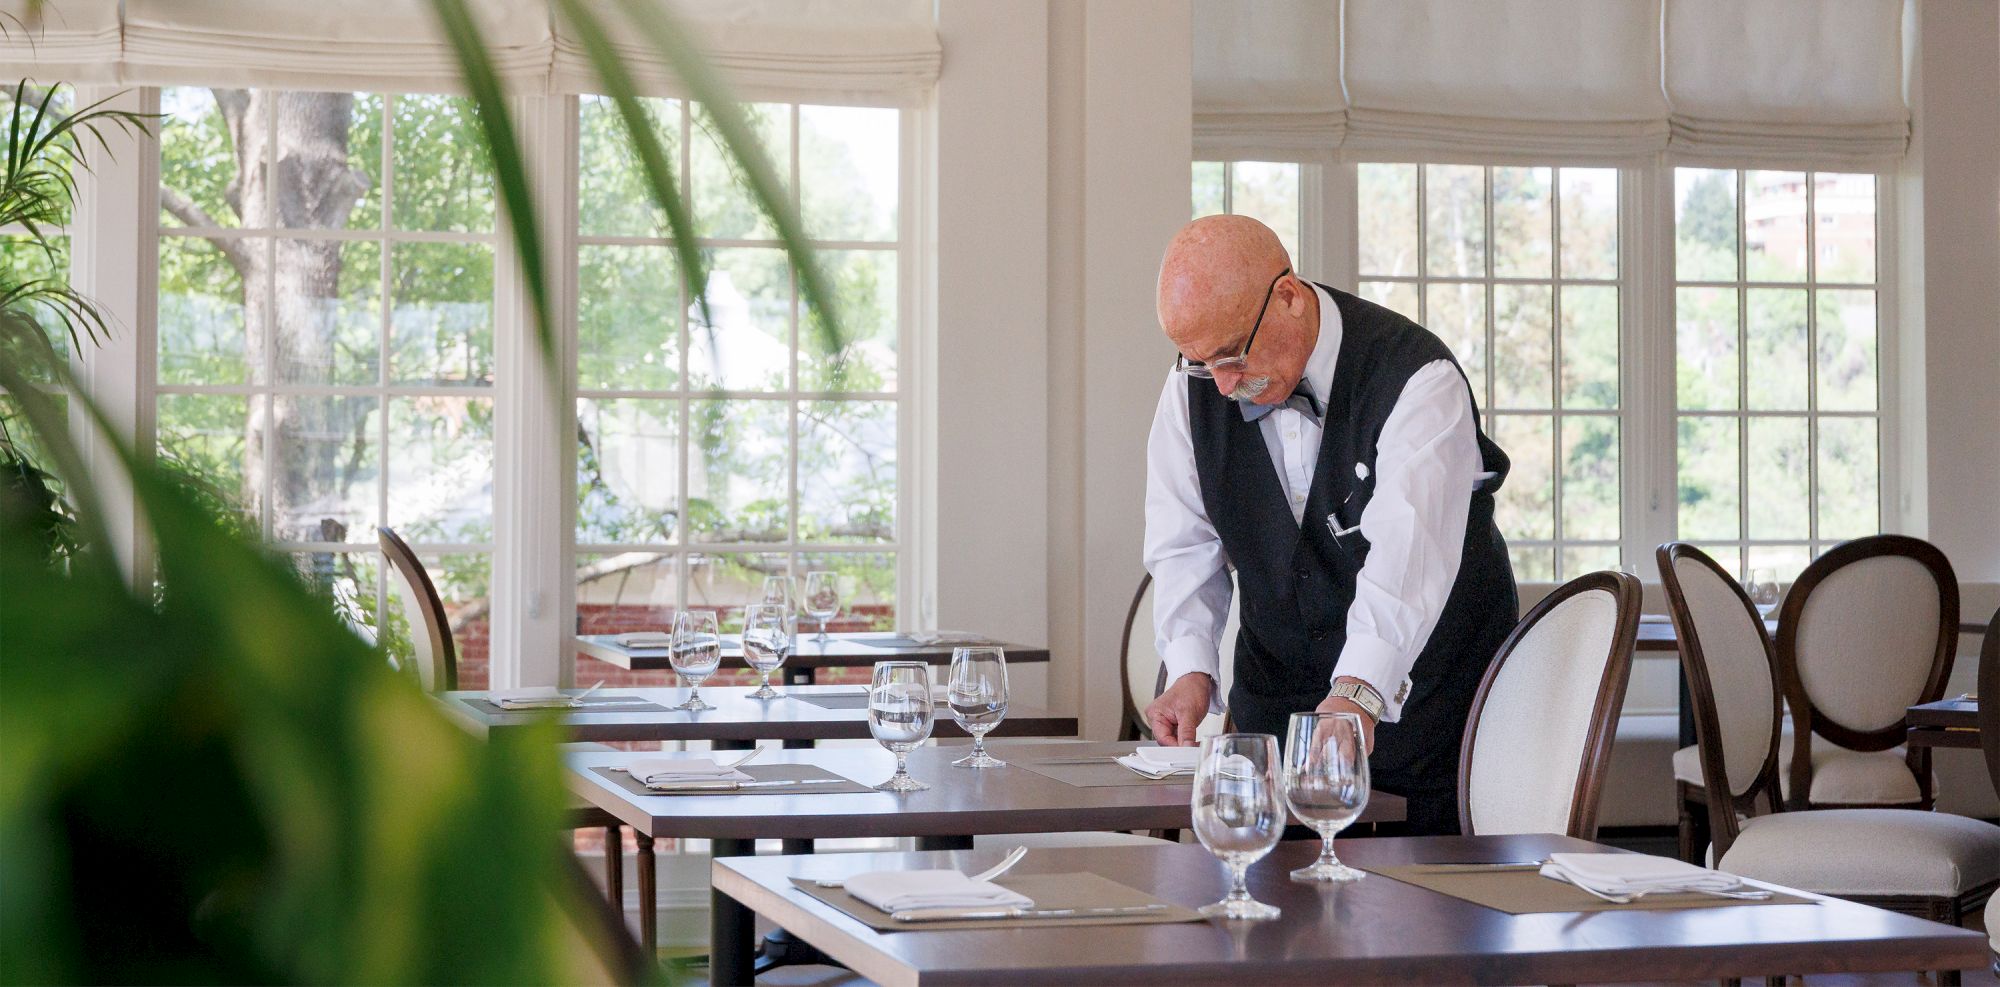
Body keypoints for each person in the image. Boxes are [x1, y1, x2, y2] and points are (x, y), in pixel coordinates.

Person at [1142, 214, 1518, 835]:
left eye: (1233, 356)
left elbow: (1407, 561)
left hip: (1425, 705)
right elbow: (1184, 543)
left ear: (1287, 296)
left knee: (1416, 919)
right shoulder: (1195, 386)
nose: (1226, 385)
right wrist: (1190, 670)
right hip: (1274, 706)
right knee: (1262, 914)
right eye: (1204, 364)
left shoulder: (1418, 379)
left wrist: (1357, 694)